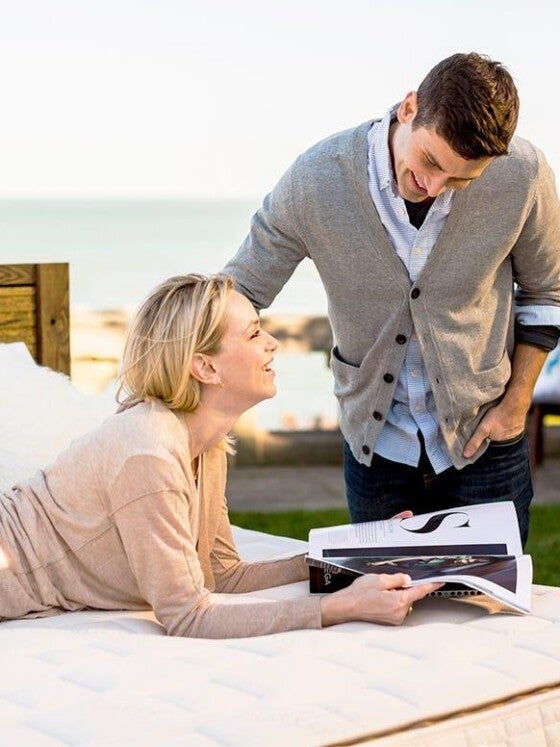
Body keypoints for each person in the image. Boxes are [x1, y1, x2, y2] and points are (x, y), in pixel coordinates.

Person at [223, 52, 560, 546]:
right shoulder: (317, 180)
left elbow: (547, 291)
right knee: (380, 595)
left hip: (488, 445)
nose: (434, 187)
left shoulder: (523, 175)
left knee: (486, 597)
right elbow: (239, 290)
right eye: (430, 162)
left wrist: (516, 404)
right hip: (376, 451)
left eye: (461, 180)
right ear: (409, 108)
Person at [0, 274, 439, 638]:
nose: (272, 343)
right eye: (253, 333)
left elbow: (222, 574)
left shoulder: (204, 443)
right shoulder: (149, 453)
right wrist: (339, 607)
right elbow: (188, 615)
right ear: (205, 367)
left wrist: (345, 557)